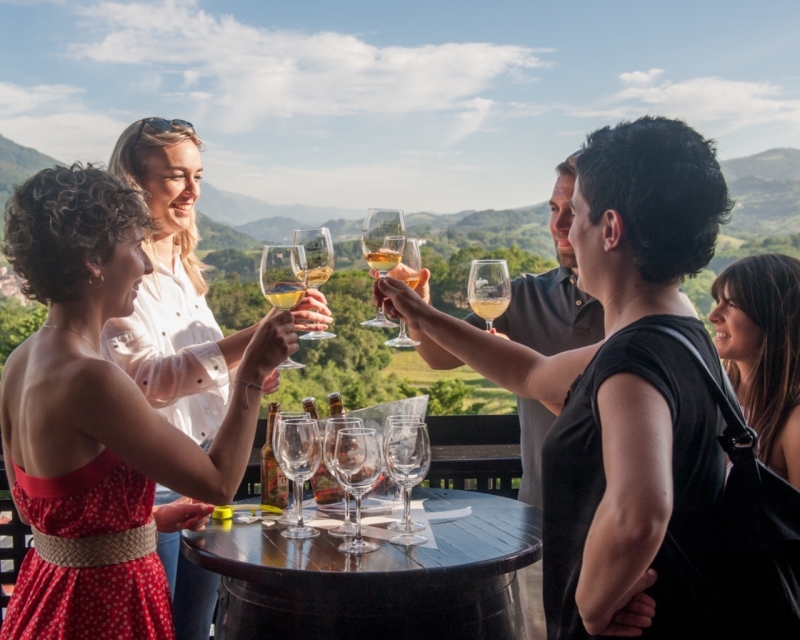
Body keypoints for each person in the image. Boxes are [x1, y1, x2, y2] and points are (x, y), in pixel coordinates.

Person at [377, 116, 733, 638]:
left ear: (610, 229)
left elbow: (642, 511)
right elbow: (531, 372)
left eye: (580, 214)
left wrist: (591, 600)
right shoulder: (680, 334)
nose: (566, 228)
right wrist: (420, 313)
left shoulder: (633, 362)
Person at [0, 164, 297, 638]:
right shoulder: (94, 379)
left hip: (47, 595)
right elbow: (220, 483)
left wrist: (148, 520)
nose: (146, 264)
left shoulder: (21, 361)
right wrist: (253, 376)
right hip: (104, 606)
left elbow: (53, 508)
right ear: (92, 261)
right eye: (136, 246)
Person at [102, 117, 332, 640]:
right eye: (176, 177)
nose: (193, 192)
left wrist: (247, 374)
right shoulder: (121, 269)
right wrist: (253, 342)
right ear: (134, 182)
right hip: (152, 484)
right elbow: (143, 383)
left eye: (198, 176)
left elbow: (195, 367)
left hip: (205, 472)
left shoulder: (182, 259)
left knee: (195, 628)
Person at [709, 253, 800, 489]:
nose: (713, 317)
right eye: (717, 302)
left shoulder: (794, 422)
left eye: (731, 304)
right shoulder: (711, 396)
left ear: (771, 315)